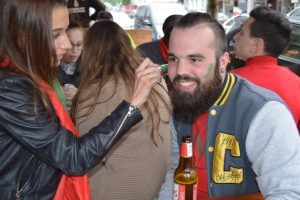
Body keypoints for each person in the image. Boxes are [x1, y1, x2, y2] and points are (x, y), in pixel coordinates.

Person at [0, 0, 161, 199]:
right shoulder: (9, 88)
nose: (67, 45)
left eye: (66, 31)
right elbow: (75, 157)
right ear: (22, 37)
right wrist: (133, 103)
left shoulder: (32, 78)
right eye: (55, 35)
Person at [158, 12, 300, 199]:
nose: (180, 71)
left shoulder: (264, 111)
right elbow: (175, 172)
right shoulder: (182, 102)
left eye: (195, 59)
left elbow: (288, 193)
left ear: (223, 62)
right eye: (174, 59)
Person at [71, 20, 171, 200]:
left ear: (90, 52)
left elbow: (83, 154)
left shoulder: (95, 92)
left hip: (120, 189)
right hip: (158, 184)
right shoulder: (154, 79)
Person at [231, 6, 300, 130]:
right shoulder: (297, 83)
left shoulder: (231, 81)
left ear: (256, 44)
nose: (235, 37)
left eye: (242, 33)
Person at [58, 22, 83, 108]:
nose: (75, 50)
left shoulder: (91, 65)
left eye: (79, 44)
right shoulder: (50, 65)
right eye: (71, 44)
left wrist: (81, 95)